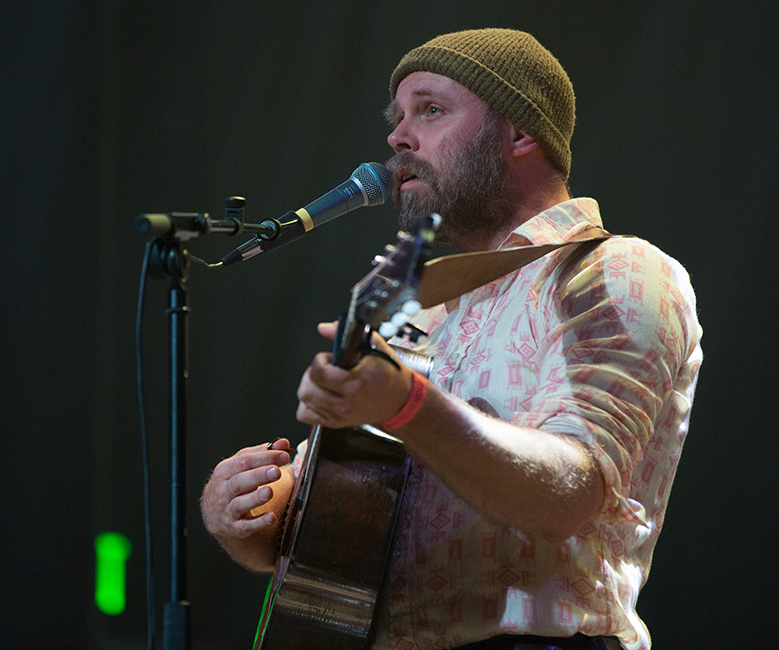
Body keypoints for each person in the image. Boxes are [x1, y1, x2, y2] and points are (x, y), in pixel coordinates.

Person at [200, 28, 702, 650]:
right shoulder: (417, 306)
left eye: (430, 110)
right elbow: (346, 505)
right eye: (397, 117)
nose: (397, 137)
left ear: (520, 132)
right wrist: (252, 514)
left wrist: (406, 403)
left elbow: (572, 494)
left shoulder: (614, 271)